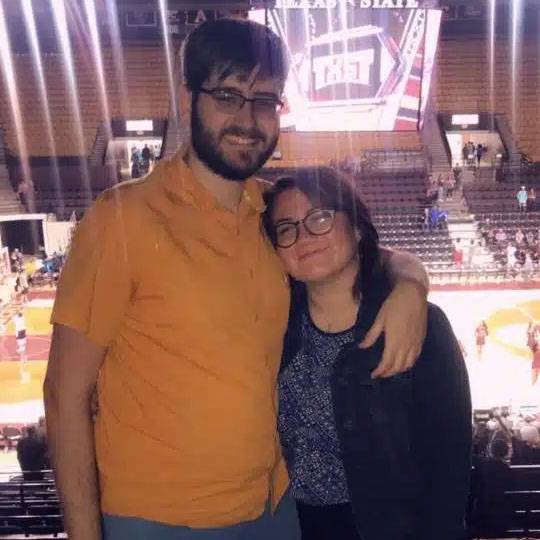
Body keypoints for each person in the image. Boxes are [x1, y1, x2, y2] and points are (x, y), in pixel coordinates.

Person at [44, 18, 429, 540]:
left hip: (274, 507)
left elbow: (363, 246)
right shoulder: (122, 221)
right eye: (228, 95)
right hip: (160, 520)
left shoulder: (271, 213)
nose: (248, 119)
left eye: (266, 100)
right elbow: (65, 396)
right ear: (188, 99)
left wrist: (413, 285)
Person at [262, 169, 472, 540]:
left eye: (321, 217)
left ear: (357, 228)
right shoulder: (274, 327)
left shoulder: (423, 325)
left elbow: (449, 467)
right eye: (286, 228)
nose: (304, 236)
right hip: (294, 525)